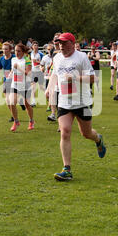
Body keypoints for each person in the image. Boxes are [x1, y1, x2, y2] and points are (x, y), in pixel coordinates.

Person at [46, 32, 106, 181]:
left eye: (65, 43)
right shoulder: (57, 57)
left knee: (86, 133)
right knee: (65, 131)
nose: (61, 46)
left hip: (82, 101)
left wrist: (75, 77)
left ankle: (98, 139)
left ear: (72, 44)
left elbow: (93, 77)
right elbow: (54, 74)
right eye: (59, 43)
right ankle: (67, 169)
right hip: (64, 101)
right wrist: (49, 88)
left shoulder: (81, 57)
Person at [8, 43, 34, 132]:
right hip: (14, 84)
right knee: (12, 103)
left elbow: (28, 73)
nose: (16, 53)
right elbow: (13, 69)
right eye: (15, 51)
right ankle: (16, 121)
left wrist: (18, 68)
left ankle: (31, 120)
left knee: (27, 105)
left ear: (23, 52)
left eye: (19, 51)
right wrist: (10, 74)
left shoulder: (27, 60)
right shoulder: (13, 59)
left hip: (25, 85)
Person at [0, 42, 15, 122]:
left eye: (6, 49)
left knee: (12, 100)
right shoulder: (1, 59)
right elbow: (0, 67)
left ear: (10, 50)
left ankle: (21, 106)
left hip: (15, 81)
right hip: (6, 81)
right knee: (7, 100)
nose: (4, 51)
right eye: (3, 49)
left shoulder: (14, 58)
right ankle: (13, 115)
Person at [40, 43, 55, 120]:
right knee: (48, 93)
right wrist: (41, 68)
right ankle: (50, 104)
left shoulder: (56, 56)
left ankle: (52, 109)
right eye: (49, 49)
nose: (50, 51)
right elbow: (41, 65)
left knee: (53, 94)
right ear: (46, 50)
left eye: (51, 49)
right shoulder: (45, 57)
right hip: (47, 77)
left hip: (54, 78)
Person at [30, 41, 44, 107]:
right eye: (34, 45)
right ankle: (33, 102)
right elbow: (31, 62)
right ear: (32, 47)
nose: (35, 46)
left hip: (40, 72)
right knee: (33, 87)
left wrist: (37, 61)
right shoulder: (31, 53)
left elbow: (43, 62)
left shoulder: (41, 54)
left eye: (36, 45)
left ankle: (50, 96)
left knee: (41, 87)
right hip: (33, 72)